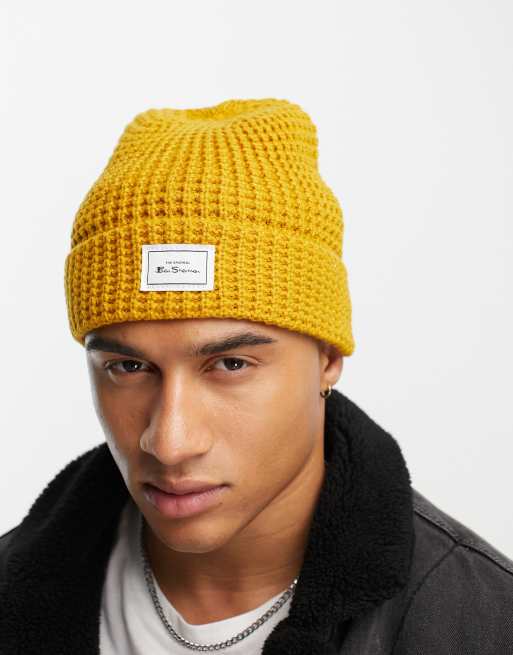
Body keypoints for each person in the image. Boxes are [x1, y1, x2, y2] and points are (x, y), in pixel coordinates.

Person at [1, 98, 512, 655]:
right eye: (129, 367)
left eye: (230, 364)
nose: (170, 442)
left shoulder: (480, 623)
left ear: (328, 359)